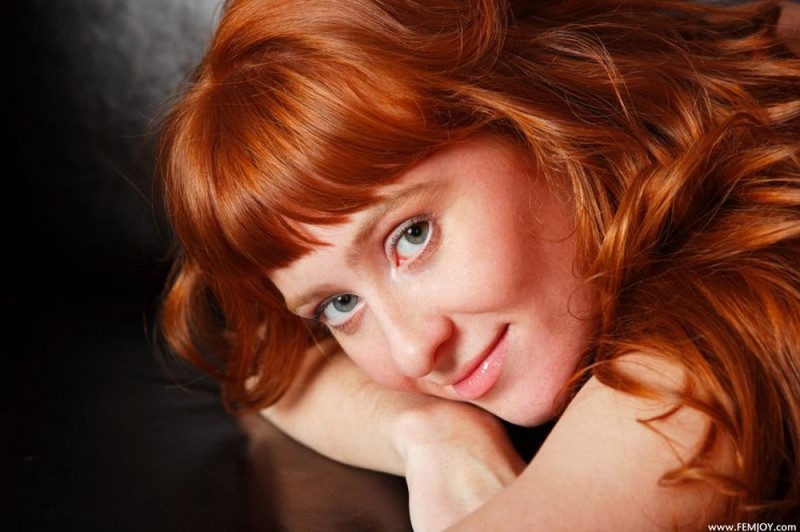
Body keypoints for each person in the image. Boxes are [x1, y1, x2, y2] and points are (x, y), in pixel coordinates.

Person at [155, 0, 800, 528]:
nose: (413, 353)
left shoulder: (741, 291)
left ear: (535, 115)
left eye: (412, 236)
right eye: (339, 305)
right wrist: (429, 434)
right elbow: (272, 364)